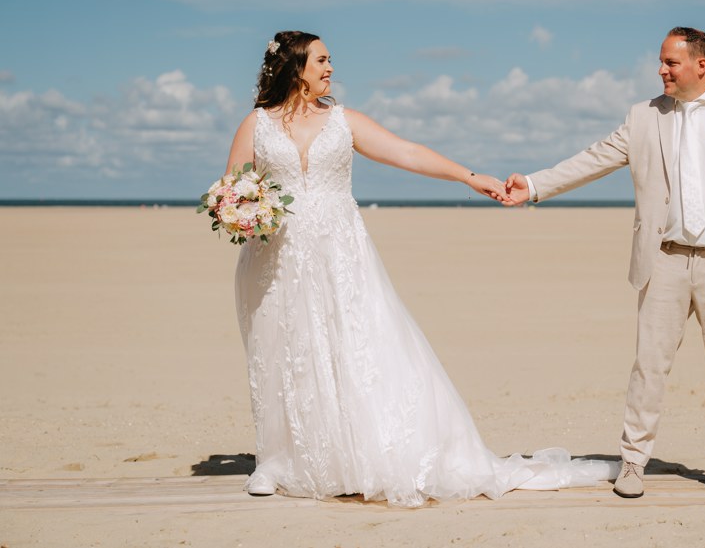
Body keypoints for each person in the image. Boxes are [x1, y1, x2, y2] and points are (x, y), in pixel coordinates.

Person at [223, 30, 615, 507]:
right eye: (322, 60)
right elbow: (235, 186)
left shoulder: (344, 121)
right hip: (275, 257)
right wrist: (239, 210)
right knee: (284, 348)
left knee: (355, 346)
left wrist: (471, 178)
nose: (330, 68)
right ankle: (278, 460)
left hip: (341, 254)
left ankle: (357, 455)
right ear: (296, 67)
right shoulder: (256, 125)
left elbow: (406, 151)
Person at [504, 27, 705, 499]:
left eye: (670, 62)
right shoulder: (643, 118)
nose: (661, 70)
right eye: (661, 62)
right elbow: (593, 159)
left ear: (702, 65)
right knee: (649, 367)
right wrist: (533, 187)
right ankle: (633, 461)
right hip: (664, 262)